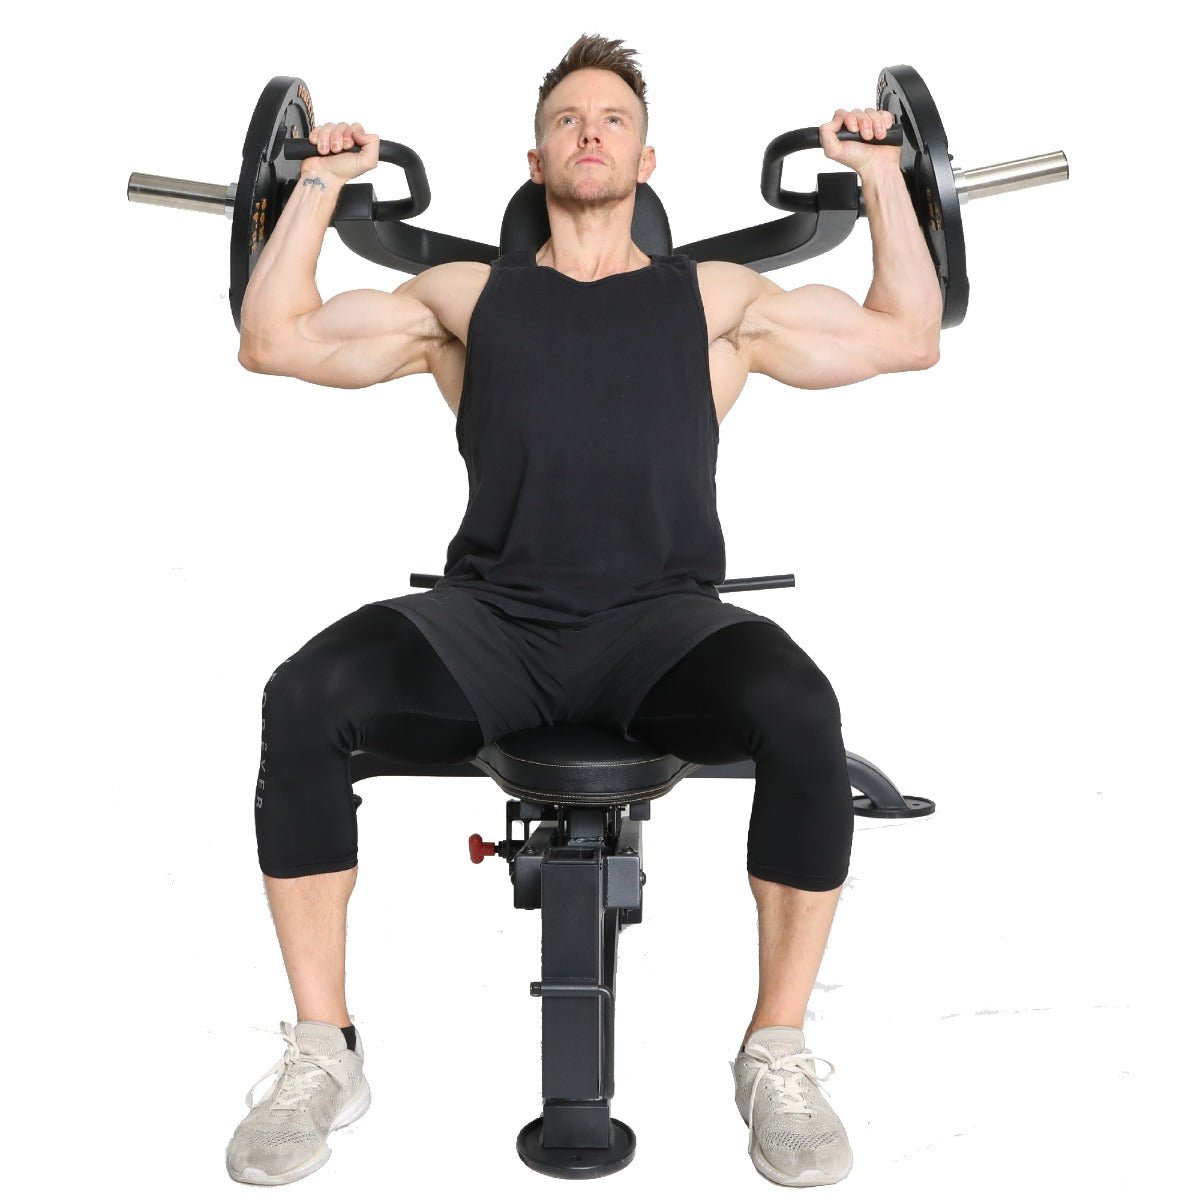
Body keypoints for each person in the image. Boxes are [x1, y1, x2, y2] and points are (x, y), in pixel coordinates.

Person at [225, 33, 941, 1189]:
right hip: (492, 624)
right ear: (535, 156)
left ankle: (778, 1053)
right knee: (303, 698)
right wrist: (319, 180)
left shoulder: (715, 302)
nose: (589, 132)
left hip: (661, 626)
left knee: (800, 708)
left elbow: (908, 333)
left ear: (646, 158)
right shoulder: (467, 299)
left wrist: (881, 178)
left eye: (610, 118)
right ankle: (324, 1050)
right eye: (568, 119)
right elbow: (275, 338)